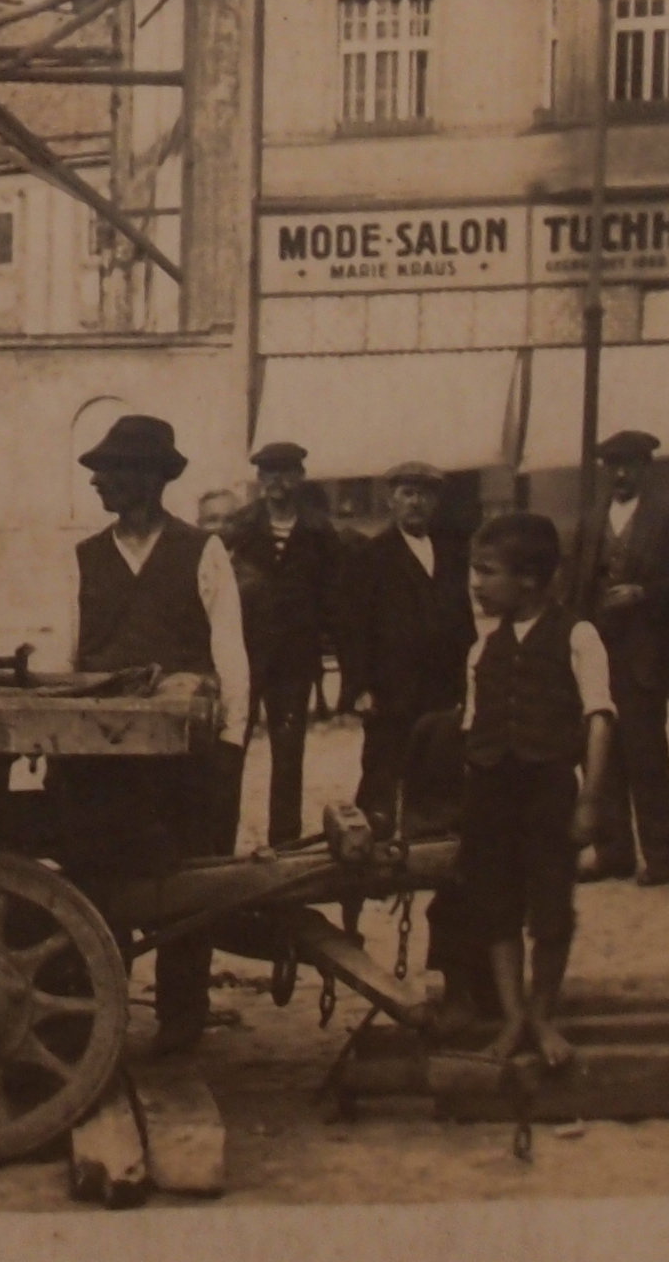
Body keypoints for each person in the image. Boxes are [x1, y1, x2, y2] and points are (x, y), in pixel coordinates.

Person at [59, 415, 252, 1054]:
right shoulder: (85, 558)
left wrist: (230, 745)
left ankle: (181, 1016)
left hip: (182, 761)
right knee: (99, 883)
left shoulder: (203, 551)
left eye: (109, 471)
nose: (97, 482)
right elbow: (69, 658)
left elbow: (231, 655)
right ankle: (99, 1016)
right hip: (102, 758)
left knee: (188, 885)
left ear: (147, 478)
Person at [450, 511, 614, 1074]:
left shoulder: (578, 635)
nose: (475, 583)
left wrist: (590, 801)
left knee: (550, 907)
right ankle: (513, 1015)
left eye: (486, 571)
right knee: (495, 903)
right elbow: (473, 725)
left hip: (548, 789)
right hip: (491, 790)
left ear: (528, 579)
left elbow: (598, 719)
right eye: (474, 570)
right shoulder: (482, 646)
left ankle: (543, 1013)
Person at [580, 429, 669, 885]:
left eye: (630, 465)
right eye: (614, 466)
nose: (621, 474)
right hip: (599, 654)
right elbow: (577, 587)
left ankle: (662, 855)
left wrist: (644, 593)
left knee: (647, 757)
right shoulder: (592, 520)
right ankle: (613, 852)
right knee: (601, 756)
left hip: (644, 657)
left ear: (647, 469)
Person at [225, 442, 346, 845]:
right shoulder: (241, 525)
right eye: (269, 472)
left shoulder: (318, 529)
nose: (278, 481)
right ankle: (220, 843)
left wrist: (323, 637)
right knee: (232, 748)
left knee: (289, 754)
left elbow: (333, 590)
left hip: (295, 659)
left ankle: (285, 844)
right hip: (245, 656)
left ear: (300, 477)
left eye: (286, 472)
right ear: (260, 479)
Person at [352, 460, 473, 830]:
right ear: (391, 500)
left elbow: (463, 618)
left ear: (435, 502)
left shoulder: (451, 552)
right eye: (407, 493)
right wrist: (360, 687)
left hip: (442, 685)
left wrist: (468, 675)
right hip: (392, 688)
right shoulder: (372, 555)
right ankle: (375, 841)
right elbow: (354, 626)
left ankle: (429, 839)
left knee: (438, 763)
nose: (416, 502)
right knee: (383, 770)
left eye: (424, 495)